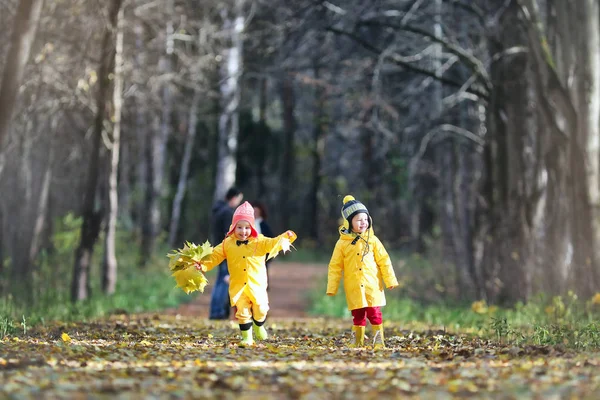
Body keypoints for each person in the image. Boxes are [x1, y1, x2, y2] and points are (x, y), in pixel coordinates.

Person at [197, 201, 297, 346]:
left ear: (252, 228)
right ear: (233, 227)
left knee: (261, 308)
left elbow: (273, 243)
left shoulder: (259, 242)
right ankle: (247, 338)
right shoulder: (227, 243)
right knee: (242, 312)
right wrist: (202, 265)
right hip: (238, 285)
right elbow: (214, 256)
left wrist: (285, 237)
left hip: (257, 284)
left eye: (246, 228)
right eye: (239, 227)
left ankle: (258, 324)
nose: (243, 231)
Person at [326, 195, 398, 349]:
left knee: (374, 313)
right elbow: (335, 266)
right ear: (349, 222)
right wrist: (332, 287)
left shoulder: (373, 240)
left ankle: (379, 340)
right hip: (354, 286)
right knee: (358, 315)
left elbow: (384, 261)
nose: (363, 223)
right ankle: (357, 341)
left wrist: (390, 280)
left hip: (372, 285)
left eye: (365, 219)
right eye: (358, 220)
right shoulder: (342, 244)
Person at [209, 187, 244, 320]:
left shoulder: (218, 210)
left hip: (219, 250)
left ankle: (215, 310)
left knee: (220, 281)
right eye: (239, 200)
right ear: (234, 198)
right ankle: (218, 312)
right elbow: (228, 234)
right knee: (225, 281)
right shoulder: (228, 213)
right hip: (226, 252)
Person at [251, 201, 274, 287]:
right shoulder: (246, 225)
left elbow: (270, 238)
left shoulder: (264, 225)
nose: (255, 213)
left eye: (257, 211)